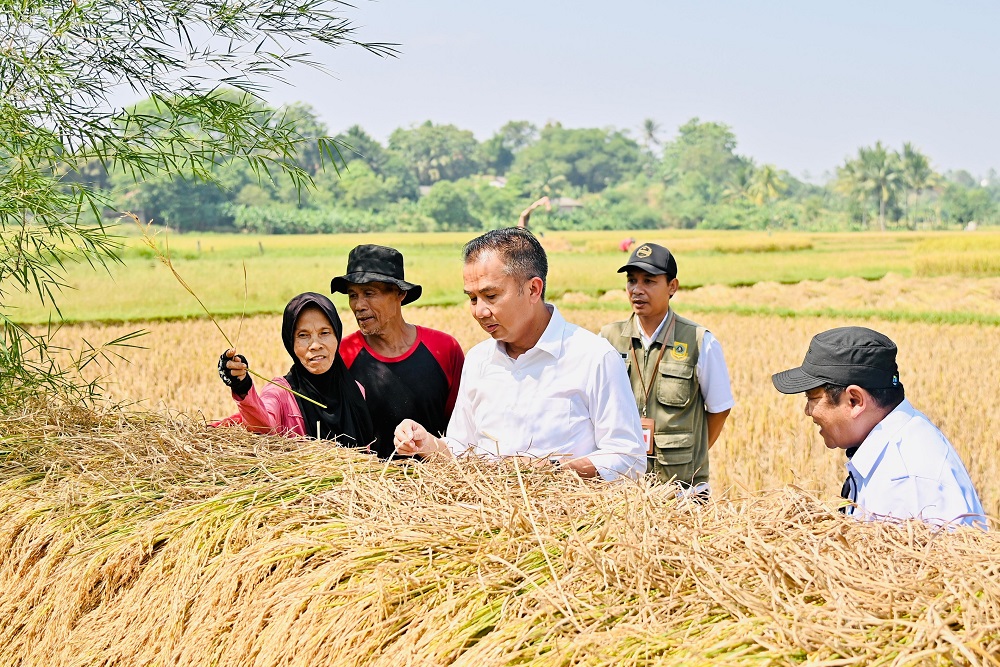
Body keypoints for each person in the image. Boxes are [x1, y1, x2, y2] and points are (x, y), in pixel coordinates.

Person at [394, 227, 645, 481]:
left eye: (491, 296)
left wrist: (552, 469)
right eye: (472, 298)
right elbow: (463, 450)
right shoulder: (479, 360)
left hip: (566, 515)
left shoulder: (593, 357)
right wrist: (428, 444)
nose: (480, 311)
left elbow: (629, 458)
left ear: (534, 289)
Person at [772, 326, 986, 528]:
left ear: (854, 400)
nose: (808, 411)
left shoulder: (904, 482)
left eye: (812, 397)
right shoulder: (901, 442)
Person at [599, 243, 733, 493]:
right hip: (623, 488)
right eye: (631, 281)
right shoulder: (608, 338)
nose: (637, 290)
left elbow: (719, 410)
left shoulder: (698, 341)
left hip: (682, 490)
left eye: (649, 281)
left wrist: (691, 455)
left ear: (672, 287)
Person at [331, 244, 464, 459]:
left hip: (441, 486)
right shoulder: (344, 355)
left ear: (400, 293)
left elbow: (462, 427)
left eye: (369, 293)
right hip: (371, 487)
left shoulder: (444, 349)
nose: (358, 305)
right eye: (352, 295)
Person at [216, 292, 374, 449]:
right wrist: (242, 386)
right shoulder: (281, 392)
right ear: (291, 343)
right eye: (303, 335)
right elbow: (262, 427)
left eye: (324, 333)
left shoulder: (355, 391)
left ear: (336, 337)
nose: (315, 345)